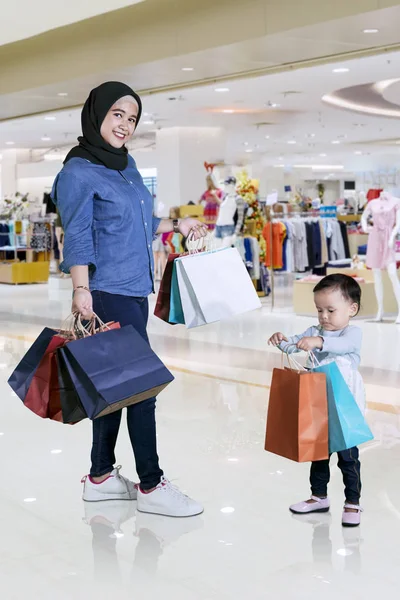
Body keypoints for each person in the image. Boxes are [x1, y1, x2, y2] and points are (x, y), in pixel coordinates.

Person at [52, 81, 207, 518]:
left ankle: (100, 478)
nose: (125, 125)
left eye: (132, 118)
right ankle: (152, 484)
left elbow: (144, 221)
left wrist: (178, 227)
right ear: (97, 113)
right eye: (117, 114)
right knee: (141, 390)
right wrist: (81, 290)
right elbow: (78, 234)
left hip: (136, 291)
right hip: (106, 294)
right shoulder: (78, 171)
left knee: (114, 387)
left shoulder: (128, 166)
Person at [268, 274, 364, 527]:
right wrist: (283, 341)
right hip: (318, 404)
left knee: (348, 458)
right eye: (319, 310)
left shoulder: (353, 333)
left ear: (351, 309)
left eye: (331, 310)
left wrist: (319, 341)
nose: (323, 316)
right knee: (318, 453)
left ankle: (352, 502)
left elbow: (343, 346)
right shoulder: (314, 331)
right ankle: (318, 496)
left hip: (345, 408)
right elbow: (294, 346)